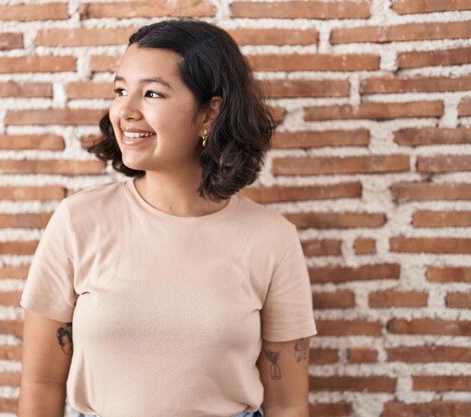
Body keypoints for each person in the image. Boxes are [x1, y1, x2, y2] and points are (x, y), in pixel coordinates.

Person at [18, 18, 317, 417]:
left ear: (210, 114)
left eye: (153, 93)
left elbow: (288, 405)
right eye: (120, 90)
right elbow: (41, 385)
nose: (125, 110)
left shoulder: (272, 239)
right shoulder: (78, 222)